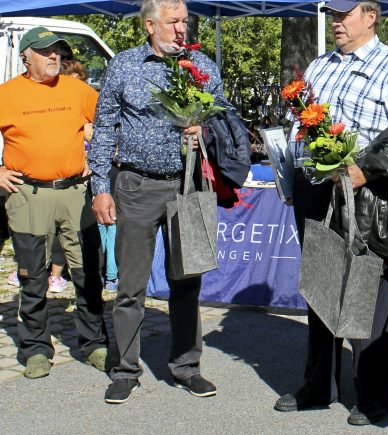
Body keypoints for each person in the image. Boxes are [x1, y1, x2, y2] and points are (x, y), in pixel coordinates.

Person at [273, 0, 388, 427]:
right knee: (320, 284)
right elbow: (300, 124)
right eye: (332, 14)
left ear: (370, 15)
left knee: (369, 289)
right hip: (315, 189)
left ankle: (375, 393)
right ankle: (318, 385)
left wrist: (365, 168)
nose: (336, 22)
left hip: (364, 191)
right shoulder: (320, 66)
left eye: (344, 14)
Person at [89, 0, 227, 404]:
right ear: (150, 25)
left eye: (185, 20)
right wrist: (100, 186)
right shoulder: (125, 66)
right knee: (130, 286)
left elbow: (225, 118)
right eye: (173, 21)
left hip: (188, 186)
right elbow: (102, 129)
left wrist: (206, 125)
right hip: (136, 185)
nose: (182, 28)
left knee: (187, 281)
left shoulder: (203, 67)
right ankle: (125, 369)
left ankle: (187, 367)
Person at [0, 26, 108, 379]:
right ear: (25, 57)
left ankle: (94, 344)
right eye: (45, 51)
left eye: (57, 51)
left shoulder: (77, 89)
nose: (53, 57)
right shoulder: (8, 94)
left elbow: (108, 123)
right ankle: (34, 349)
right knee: (33, 277)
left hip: (76, 193)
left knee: (88, 273)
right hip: (28, 195)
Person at [61, 59, 118, 291]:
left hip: (96, 174)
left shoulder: (90, 108)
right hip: (71, 181)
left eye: (80, 83)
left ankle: (110, 273)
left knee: (108, 224)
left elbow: (100, 135)